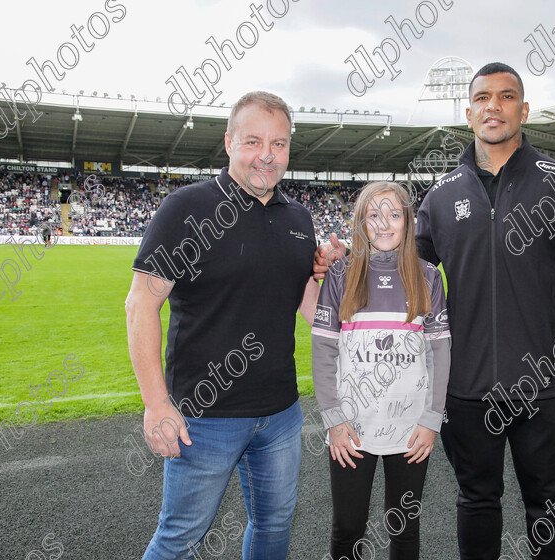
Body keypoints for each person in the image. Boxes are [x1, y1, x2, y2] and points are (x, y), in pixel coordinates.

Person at [314, 63, 555, 560]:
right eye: (482, 98)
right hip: (468, 390)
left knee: (550, 510)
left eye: (505, 97)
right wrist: (346, 263)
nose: (492, 107)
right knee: (477, 502)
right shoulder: (443, 195)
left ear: (523, 109)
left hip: (546, 384)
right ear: (468, 112)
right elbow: (400, 265)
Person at [126, 91, 320, 560]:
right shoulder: (186, 208)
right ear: (229, 142)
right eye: (254, 141)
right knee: (179, 540)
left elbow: (310, 308)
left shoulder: (298, 218)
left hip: (280, 414)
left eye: (279, 144)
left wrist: (329, 276)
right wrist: (156, 404)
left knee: (273, 526)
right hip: (204, 417)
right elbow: (139, 306)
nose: (267, 155)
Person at [311, 181, 451, 560]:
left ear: (408, 222)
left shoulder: (429, 277)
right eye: (373, 215)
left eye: (394, 214)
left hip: (411, 429)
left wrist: (431, 418)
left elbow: (440, 352)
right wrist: (334, 419)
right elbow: (324, 351)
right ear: (360, 222)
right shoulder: (341, 275)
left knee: (404, 530)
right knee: (348, 529)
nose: (384, 223)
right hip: (351, 428)